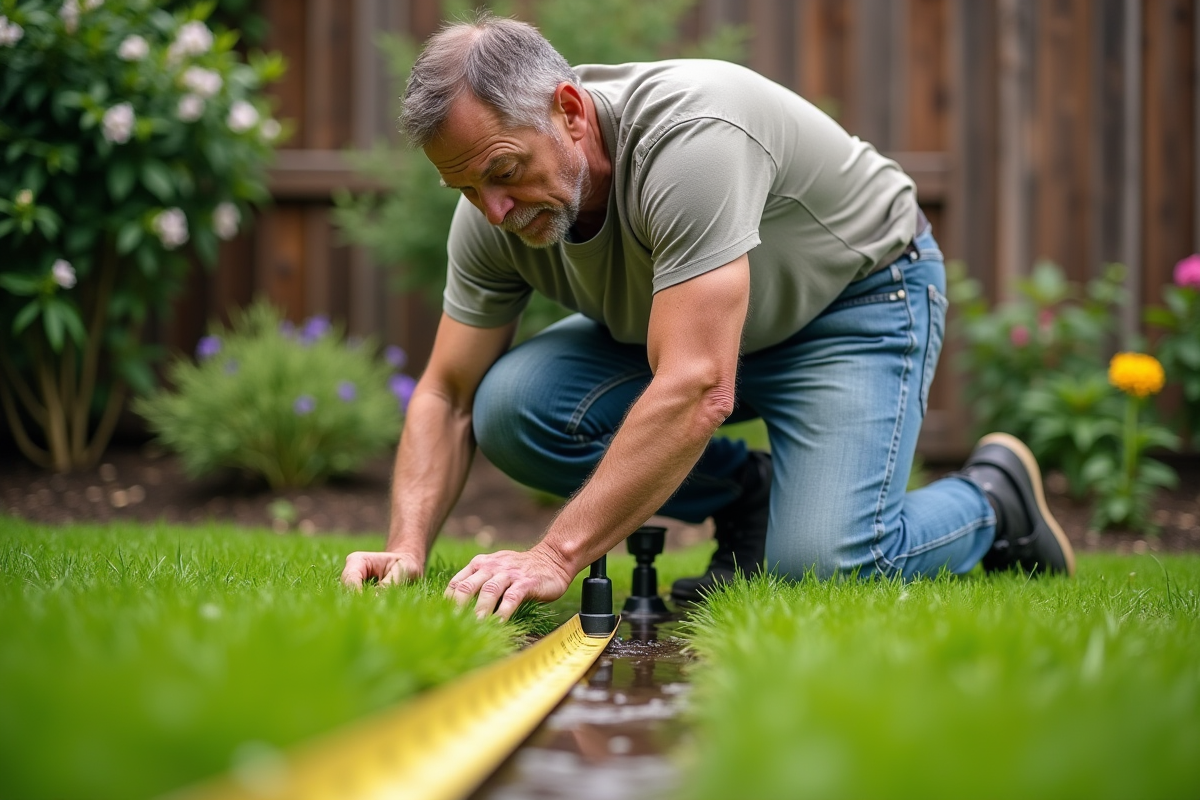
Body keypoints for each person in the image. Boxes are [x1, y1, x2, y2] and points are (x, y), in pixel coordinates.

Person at [341, 12, 1075, 617]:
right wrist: (407, 548)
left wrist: (554, 554)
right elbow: (448, 394)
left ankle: (994, 501)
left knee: (822, 570)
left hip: (856, 304)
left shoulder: (689, 140)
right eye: (464, 188)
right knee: (510, 407)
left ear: (567, 111)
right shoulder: (493, 216)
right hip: (692, 339)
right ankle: (751, 503)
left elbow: (697, 388)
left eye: (502, 171)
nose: (492, 210)